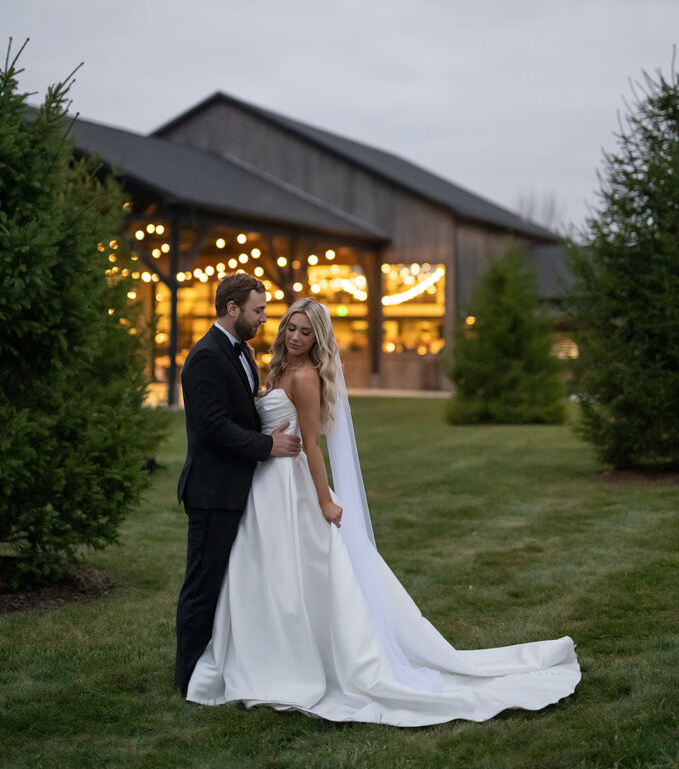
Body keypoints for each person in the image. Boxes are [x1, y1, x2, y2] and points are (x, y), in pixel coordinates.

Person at [186, 298, 580, 726]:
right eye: (290, 328)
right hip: (262, 483)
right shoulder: (277, 369)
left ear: (318, 337)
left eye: (304, 331)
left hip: (289, 483)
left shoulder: (306, 377)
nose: (294, 336)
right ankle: (261, 652)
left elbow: (312, 444)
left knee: (296, 571)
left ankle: (299, 660)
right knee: (261, 570)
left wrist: (323, 500)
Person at [174, 274, 301, 697]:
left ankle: (223, 664)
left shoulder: (242, 351)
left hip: (235, 487)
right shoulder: (207, 356)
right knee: (203, 585)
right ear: (232, 309)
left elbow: (241, 410)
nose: (264, 318)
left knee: (229, 585)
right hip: (212, 491)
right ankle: (189, 677)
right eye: (257, 310)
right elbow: (212, 428)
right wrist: (267, 445)